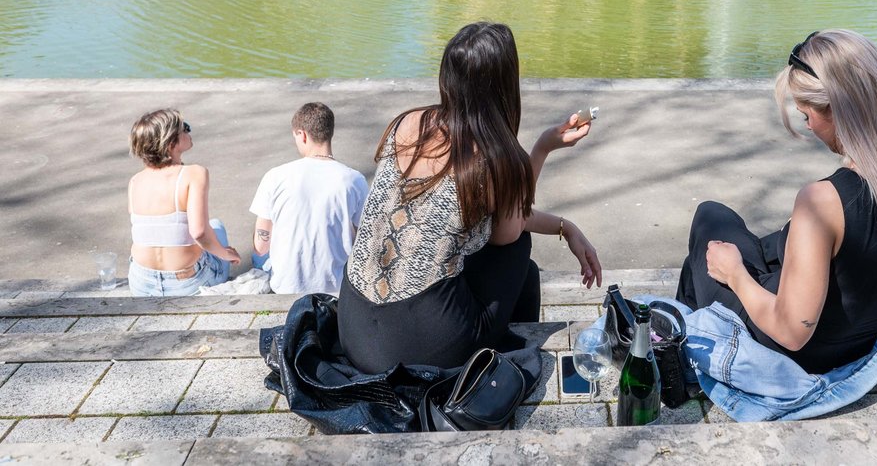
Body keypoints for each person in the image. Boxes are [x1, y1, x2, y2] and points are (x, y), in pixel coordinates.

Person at [676, 29, 877, 375]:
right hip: (855, 344)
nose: (809, 127)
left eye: (807, 115)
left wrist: (735, 274)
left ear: (837, 110)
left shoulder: (823, 200)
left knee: (710, 218)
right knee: (767, 241)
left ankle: (679, 344)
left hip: (785, 347)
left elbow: (791, 333)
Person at [338, 22, 603, 372]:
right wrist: (541, 149)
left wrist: (564, 227)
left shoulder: (407, 124)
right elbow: (512, 224)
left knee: (510, 263)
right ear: (505, 85)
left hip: (353, 324)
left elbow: (505, 209)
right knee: (516, 250)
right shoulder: (494, 159)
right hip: (414, 348)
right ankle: (506, 360)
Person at [249, 102, 368, 295]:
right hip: (337, 287)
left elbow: (261, 246)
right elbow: (366, 239)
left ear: (301, 135)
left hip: (286, 287)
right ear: (330, 133)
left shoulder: (275, 176)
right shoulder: (354, 180)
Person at [127, 109, 241, 296]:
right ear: (171, 141)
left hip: (141, 284)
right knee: (215, 226)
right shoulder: (193, 173)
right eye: (185, 128)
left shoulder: (135, 181)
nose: (189, 131)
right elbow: (199, 232)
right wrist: (225, 254)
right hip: (186, 283)